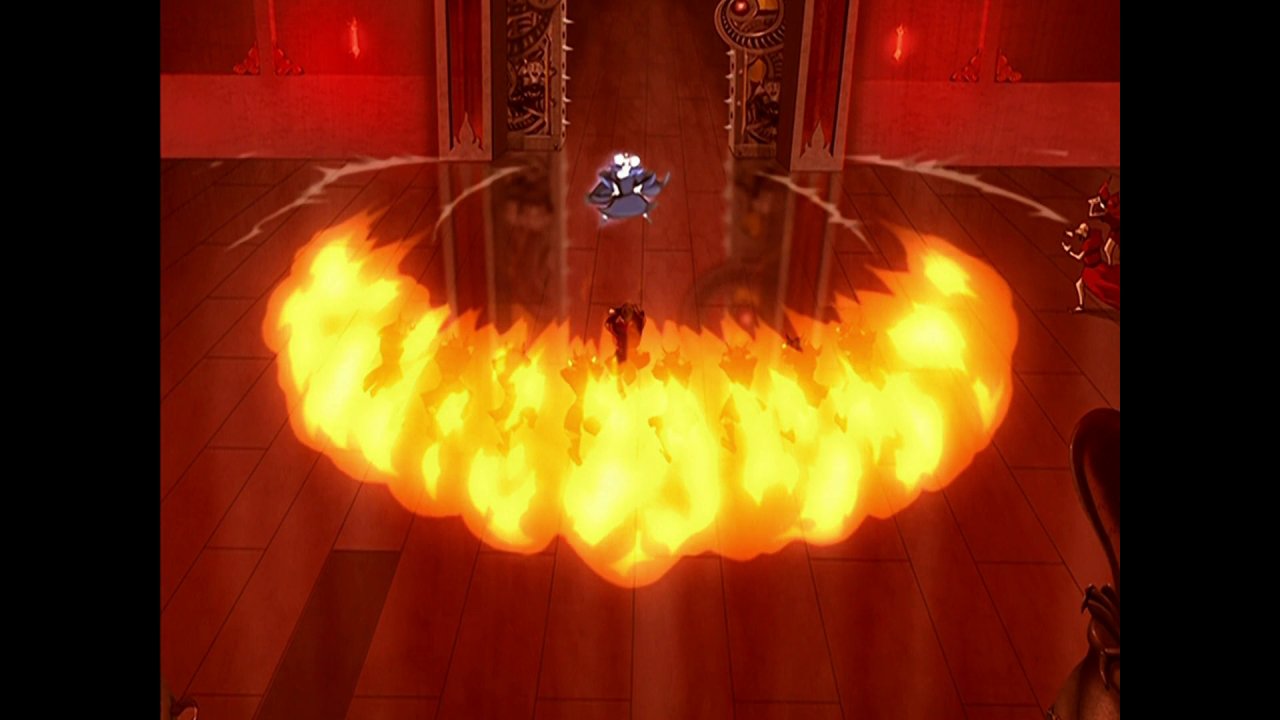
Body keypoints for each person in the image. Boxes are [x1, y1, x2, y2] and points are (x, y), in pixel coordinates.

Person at [586, 153, 670, 222]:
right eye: (623, 163)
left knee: (640, 205)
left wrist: (641, 187)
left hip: (633, 197)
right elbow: (604, 177)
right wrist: (614, 187)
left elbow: (649, 178)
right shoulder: (614, 173)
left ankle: (644, 212)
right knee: (615, 208)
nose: (626, 165)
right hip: (620, 198)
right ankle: (607, 216)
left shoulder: (636, 173)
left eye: (628, 163)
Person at [1062, 222, 1119, 312]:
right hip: (1099, 265)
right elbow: (1081, 232)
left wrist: (1069, 251)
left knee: (1104, 288)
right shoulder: (1095, 235)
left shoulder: (1088, 244)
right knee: (1079, 284)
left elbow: (1079, 257)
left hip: (1092, 270)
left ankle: (1081, 306)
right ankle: (1081, 306)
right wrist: (1072, 232)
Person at [1086, 178, 1120, 265]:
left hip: (1116, 231)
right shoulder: (1111, 205)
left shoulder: (1107, 213)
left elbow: (1091, 214)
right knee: (1107, 249)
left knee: (1107, 249)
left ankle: (1111, 267)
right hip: (1115, 232)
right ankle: (1110, 267)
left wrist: (1093, 204)